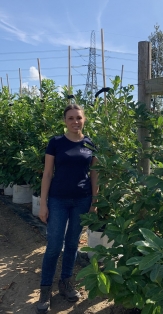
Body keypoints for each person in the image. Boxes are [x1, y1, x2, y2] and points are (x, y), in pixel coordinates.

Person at [37, 104, 98, 314]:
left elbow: (95, 174)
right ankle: (45, 289)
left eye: (78, 118)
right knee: (54, 245)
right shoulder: (56, 143)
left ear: (84, 119)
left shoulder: (90, 144)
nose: (75, 122)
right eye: (70, 118)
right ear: (65, 121)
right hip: (58, 200)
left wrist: (95, 201)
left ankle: (66, 283)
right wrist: (43, 203)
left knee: (72, 244)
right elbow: (47, 174)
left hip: (82, 200)